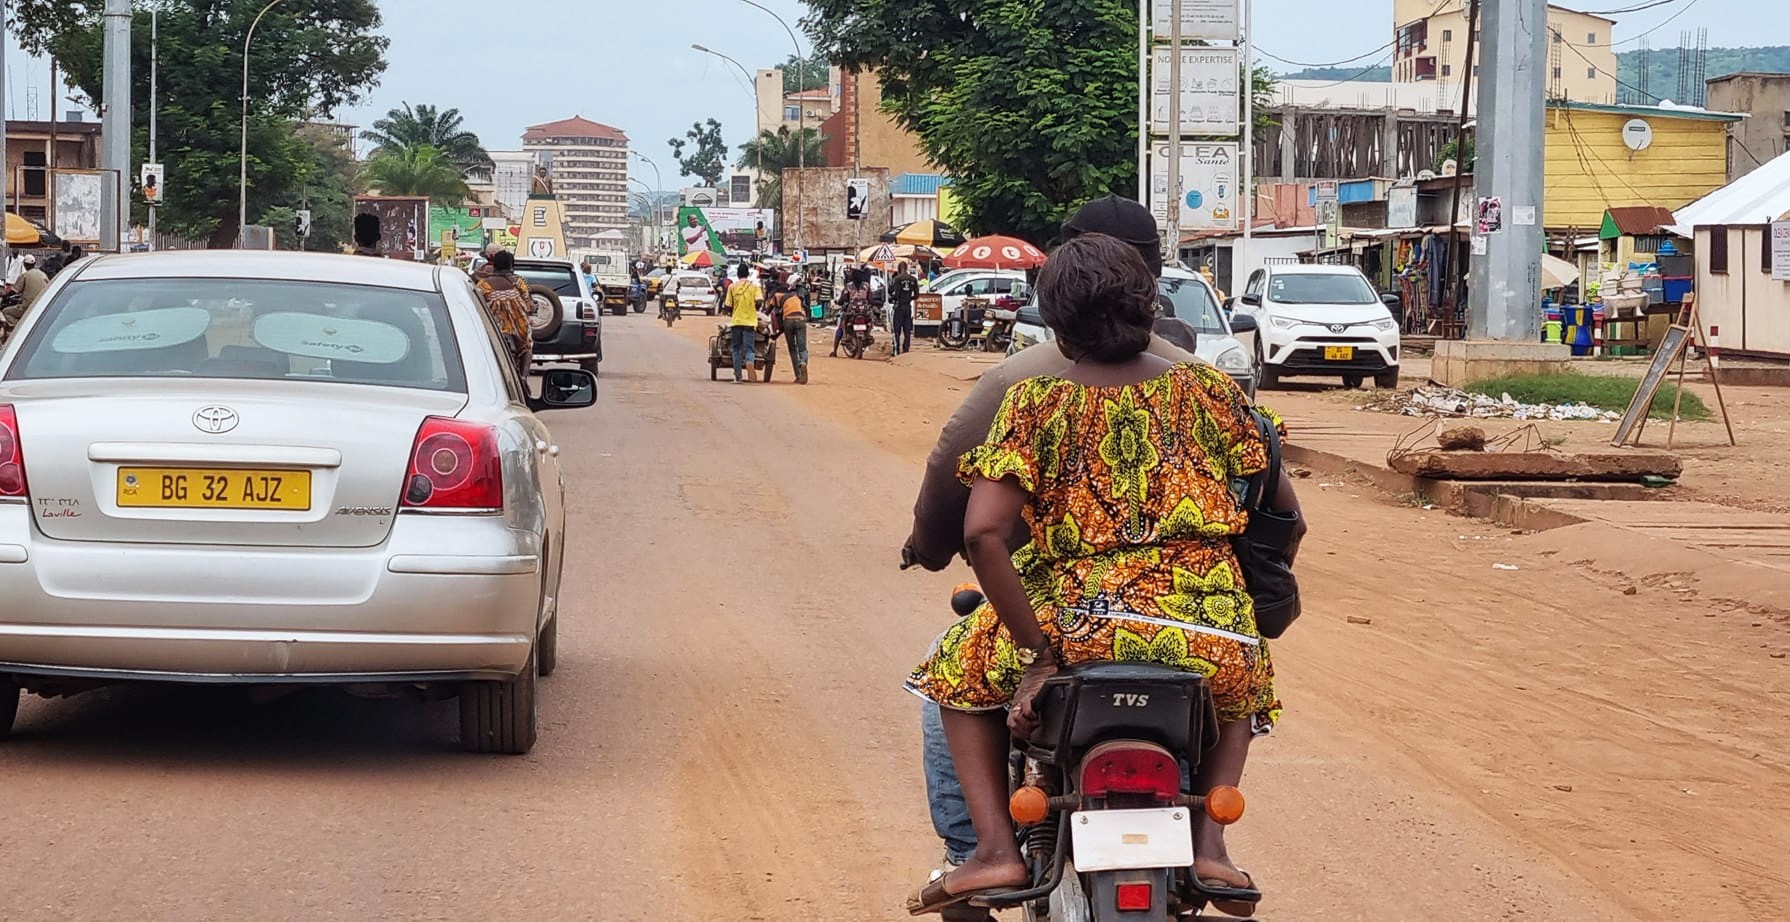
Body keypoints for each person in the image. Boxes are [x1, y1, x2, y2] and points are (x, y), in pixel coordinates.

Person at [903, 195, 1303, 921]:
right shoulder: (1210, 390)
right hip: (1207, 628)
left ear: (1052, 320)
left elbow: (982, 534)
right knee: (1244, 682)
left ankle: (992, 849)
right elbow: (1279, 508)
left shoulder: (1035, 400)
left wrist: (1038, 657)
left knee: (951, 679)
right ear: (1150, 299)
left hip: (1079, 624)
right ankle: (1210, 846)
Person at [475, 250, 534, 379]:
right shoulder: (518, 282)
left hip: (492, 330)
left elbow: (477, 306)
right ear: (511, 266)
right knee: (528, 346)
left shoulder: (483, 285)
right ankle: (523, 378)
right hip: (517, 330)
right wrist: (533, 307)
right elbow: (529, 304)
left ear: (494, 266)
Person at [724, 262, 762, 383]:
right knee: (749, 348)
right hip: (750, 322)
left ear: (738, 274)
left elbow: (728, 306)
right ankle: (750, 362)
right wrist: (753, 308)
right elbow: (759, 301)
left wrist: (732, 311)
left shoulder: (732, 287)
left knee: (735, 349)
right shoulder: (754, 287)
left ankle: (738, 376)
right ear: (747, 274)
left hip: (736, 321)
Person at [771, 272, 811, 384]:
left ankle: (798, 375)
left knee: (793, 349)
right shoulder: (796, 297)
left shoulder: (778, 296)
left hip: (788, 320)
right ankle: (803, 362)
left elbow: (769, 311)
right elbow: (807, 308)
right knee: (802, 348)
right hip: (801, 319)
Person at [890, 261, 920, 356]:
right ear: (906, 268)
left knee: (896, 330)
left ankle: (896, 350)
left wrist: (892, 298)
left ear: (899, 269)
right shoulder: (913, 279)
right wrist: (909, 299)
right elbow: (917, 295)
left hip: (898, 307)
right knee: (907, 330)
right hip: (908, 306)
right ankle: (906, 349)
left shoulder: (897, 279)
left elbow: (896, 294)